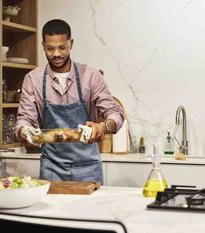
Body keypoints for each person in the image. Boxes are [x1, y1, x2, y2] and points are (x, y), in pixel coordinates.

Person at [15, 19, 124, 184]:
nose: (56, 54)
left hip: (88, 168)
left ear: (71, 44)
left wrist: (103, 126)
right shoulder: (33, 79)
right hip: (51, 167)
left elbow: (115, 114)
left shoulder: (91, 76)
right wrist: (24, 131)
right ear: (43, 45)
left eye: (62, 47)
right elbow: (24, 118)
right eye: (50, 48)